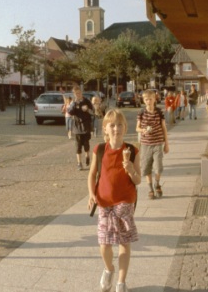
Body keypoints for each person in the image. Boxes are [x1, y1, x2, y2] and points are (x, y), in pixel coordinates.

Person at [87, 109, 141, 292]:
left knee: (124, 243)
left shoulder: (132, 151)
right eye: (112, 125)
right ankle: (109, 269)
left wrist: (130, 169)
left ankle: (121, 283)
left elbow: (138, 180)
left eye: (119, 125)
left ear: (125, 128)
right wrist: (91, 194)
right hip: (104, 203)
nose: (116, 128)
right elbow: (92, 174)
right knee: (104, 244)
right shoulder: (100, 149)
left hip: (125, 202)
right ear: (105, 129)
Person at [136, 89, 169, 200]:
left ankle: (157, 184)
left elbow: (164, 128)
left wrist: (166, 144)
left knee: (158, 167)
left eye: (150, 99)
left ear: (155, 99)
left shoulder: (159, 112)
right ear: (143, 100)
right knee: (146, 167)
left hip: (158, 143)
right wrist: (143, 130)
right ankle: (150, 189)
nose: (148, 101)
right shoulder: (141, 112)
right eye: (146, 99)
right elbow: (137, 128)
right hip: (145, 145)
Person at [68, 86, 94, 170]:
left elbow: (93, 112)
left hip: (86, 126)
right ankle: (79, 163)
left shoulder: (87, 101)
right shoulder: (73, 102)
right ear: (74, 94)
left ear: (81, 92)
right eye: (76, 94)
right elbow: (70, 112)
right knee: (78, 146)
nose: (78, 95)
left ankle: (87, 156)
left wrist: (87, 110)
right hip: (77, 127)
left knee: (86, 144)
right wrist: (74, 104)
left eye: (79, 93)